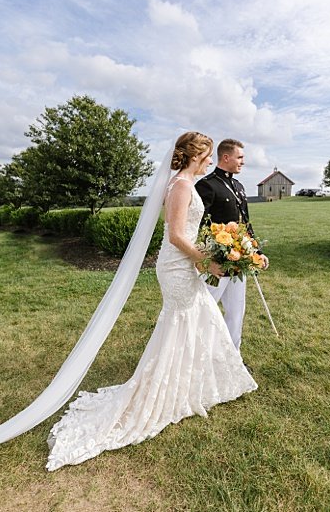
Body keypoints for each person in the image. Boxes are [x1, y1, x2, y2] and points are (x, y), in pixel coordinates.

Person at [44, 131, 257, 470]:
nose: (208, 164)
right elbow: (174, 235)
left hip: (185, 263)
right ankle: (164, 388)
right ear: (194, 157)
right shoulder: (182, 186)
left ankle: (192, 380)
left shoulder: (183, 182)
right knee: (182, 322)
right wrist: (205, 260)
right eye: (205, 158)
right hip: (176, 265)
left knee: (201, 320)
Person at [195, 138, 267, 349]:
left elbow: (246, 224)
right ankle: (198, 353)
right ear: (226, 157)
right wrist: (205, 258)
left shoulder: (238, 185)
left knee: (236, 311)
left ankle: (232, 356)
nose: (243, 162)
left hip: (240, 261)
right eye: (240, 157)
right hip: (216, 263)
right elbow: (200, 226)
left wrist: (257, 251)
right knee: (205, 309)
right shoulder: (206, 185)